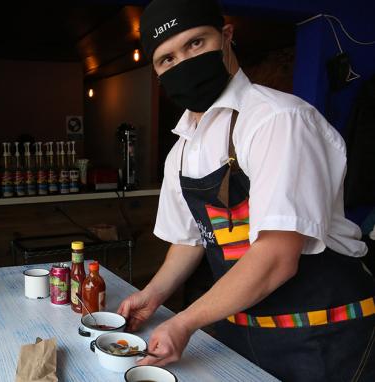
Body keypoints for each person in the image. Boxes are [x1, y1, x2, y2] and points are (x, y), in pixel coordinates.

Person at [117, 0, 375, 380]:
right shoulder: (182, 150)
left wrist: (185, 322)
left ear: (225, 37)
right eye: (166, 59)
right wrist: (153, 295)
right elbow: (192, 239)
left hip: (326, 337)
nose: (184, 62)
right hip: (244, 335)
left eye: (195, 43)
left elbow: (277, 256)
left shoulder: (278, 121)